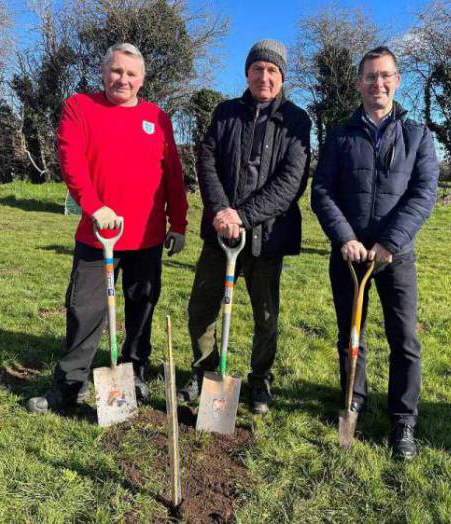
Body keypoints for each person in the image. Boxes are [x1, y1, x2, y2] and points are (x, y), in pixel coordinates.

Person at [28, 43, 188, 413]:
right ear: (104, 72)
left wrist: (177, 223)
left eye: (131, 74)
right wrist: (95, 206)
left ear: (142, 80)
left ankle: (134, 373)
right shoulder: (80, 107)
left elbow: (173, 176)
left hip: (146, 236)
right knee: (85, 309)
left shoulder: (158, 118)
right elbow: (71, 160)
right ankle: (70, 385)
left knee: (141, 306)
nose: (123, 79)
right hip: (97, 235)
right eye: (117, 71)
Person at [311, 46, 439, 459]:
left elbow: (423, 194)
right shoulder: (339, 135)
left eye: (385, 76)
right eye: (370, 77)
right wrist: (345, 237)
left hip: (395, 256)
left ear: (397, 81)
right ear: (359, 83)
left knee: (404, 340)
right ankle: (352, 401)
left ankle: (403, 420)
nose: (377, 84)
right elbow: (323, 191)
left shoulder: (418, 136)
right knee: (351, 336)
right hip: (349, 256)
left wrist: (390, 242)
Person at [177, 39, 311, 414]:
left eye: (272, 70)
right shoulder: (225, 113)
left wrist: (244, 216)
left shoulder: (297, 121)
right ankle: (203, 374)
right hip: (220, 234)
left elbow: (291, 182)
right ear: (247, 72)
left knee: (265, 316)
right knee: (202, 307)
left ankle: (260, 382)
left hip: (268, 238)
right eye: (257, 69)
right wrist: (221, 211)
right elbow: (207, 161)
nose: (264, 76)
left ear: (282, 76)